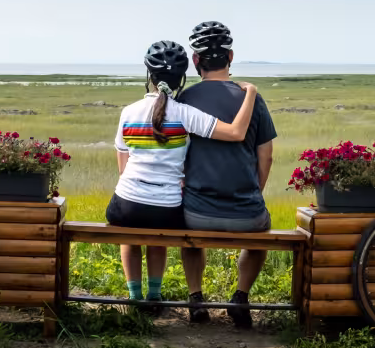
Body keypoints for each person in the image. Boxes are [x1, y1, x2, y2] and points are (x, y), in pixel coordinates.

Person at [107, 40, 258, 313]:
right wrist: (251, 93)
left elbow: (122, 163)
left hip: (127, 202)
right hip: (166, 208)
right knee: (158, 231)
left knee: (129, 236)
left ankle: (134, 299)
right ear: (181, 79)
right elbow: (236, 133)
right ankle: (154, 297)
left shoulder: (128, 112)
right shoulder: (185, 113)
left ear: (149, 77)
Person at [177, 21, 278, 329]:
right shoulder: (251, 98)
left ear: (196, 61)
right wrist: (254, 193)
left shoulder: (184, 100)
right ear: (230, 57)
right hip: (246, 214)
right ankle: (240, 296)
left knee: (188, 239)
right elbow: (267, 155)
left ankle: (196, 298)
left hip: (196, 214)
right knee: (262, 234)